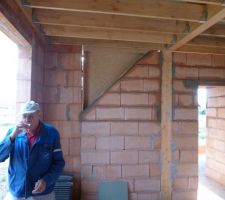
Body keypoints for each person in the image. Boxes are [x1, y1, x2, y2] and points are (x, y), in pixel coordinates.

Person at [0, 100, 65, 200]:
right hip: (17, 191)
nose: (27, 120)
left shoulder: (51, 133)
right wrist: (12, 137)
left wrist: (46, 180)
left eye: (31, 116)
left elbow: (59, 163)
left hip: (43, 193)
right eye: (24, 116)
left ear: (38, 115)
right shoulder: (13, 133)